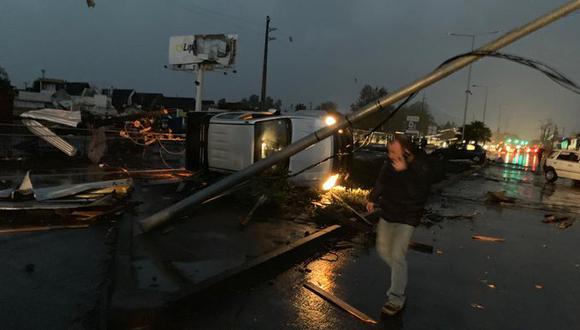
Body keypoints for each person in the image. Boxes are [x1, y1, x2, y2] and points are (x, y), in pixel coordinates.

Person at [366, 135, 432, 316]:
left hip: (408, 217)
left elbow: (418, 194)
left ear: (406, 151)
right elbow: (382, 180)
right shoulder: (389, 162)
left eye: (394, 151)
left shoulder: (420, 165)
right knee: (383, 250)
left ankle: (395, 298)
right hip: (389, 212)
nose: (390, 154)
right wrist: (372, 198)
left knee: (397, 255)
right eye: (389, 151)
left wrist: (404, 172)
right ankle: (399, 274)